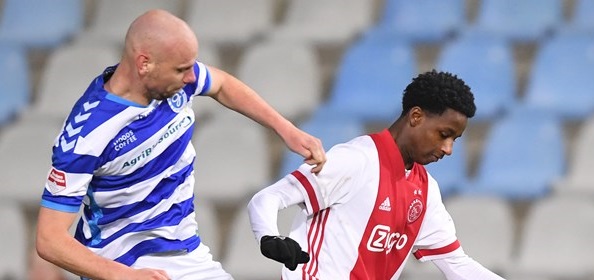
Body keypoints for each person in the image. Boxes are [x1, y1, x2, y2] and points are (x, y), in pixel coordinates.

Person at [35, 9, 326, 280]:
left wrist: (285, 129)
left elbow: (222, 85)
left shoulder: (174, 81)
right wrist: (125, 276)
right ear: (144, 63)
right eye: (181, 70)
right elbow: (49, 239)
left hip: (186, 251)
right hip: (121, 261)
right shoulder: (87, 134)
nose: (191, 77)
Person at [248, 70, 507, 279]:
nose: (448, 149)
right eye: (444, 134)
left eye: (455, 139)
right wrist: (270, 237)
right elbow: (267, 199)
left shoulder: (425, 190)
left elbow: (457, 265)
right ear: (416, 116)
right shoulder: (355, 160)